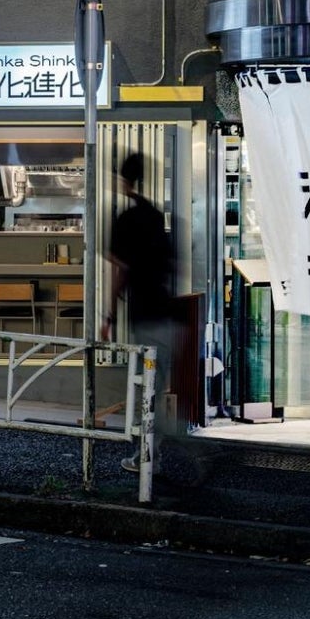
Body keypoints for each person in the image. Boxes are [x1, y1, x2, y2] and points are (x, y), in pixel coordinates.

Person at [102, 153, 182, 469]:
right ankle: (155, 453)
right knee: (156, 387)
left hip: (146, 317)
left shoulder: (126, 219)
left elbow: (119, 272)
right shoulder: (155, 215)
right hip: (167, 314)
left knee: (146, 389)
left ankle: (150, 458)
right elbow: (173, 262)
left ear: (122, 180)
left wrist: (109, 316)